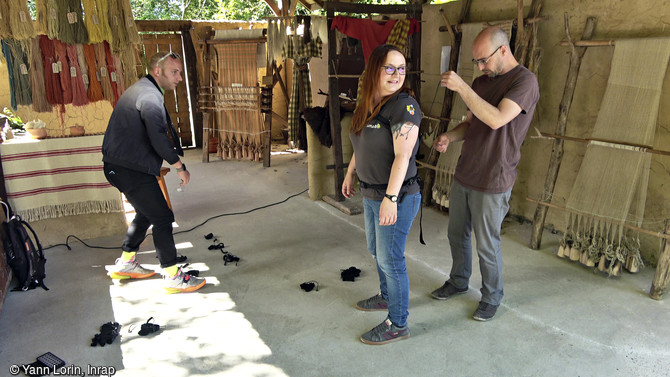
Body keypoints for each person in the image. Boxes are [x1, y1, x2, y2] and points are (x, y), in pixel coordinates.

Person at [430, 27, 539, 320]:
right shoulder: (481, 82)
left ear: (503, 50)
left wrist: (462, 88)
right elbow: (472, 123)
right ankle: (458, 280)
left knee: (487, 245)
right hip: (466, 171)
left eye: (483, 60)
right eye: (476, 62)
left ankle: (491, 297)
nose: (480, 67)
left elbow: (496, 119)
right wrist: (450, 137)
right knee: (456, 234)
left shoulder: (525, 82)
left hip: (494, 179)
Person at [102, 51, 206, 294]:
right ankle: (173, 276)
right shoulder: (149, 95)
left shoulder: (143, 89)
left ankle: (127, 263)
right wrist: (179, 166)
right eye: (174, 72)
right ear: (157, 71)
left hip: (123, 165)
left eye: (180, 72)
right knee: (162, 217)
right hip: (128, 168)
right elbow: (157, 136)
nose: (179, 77)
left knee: (147, 213)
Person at [342, 44, 422, 345]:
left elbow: (403, 157)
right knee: (377, 251)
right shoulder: (369, 105)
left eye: (401, 69)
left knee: (391, 259)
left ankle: (398, 323)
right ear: (375, 70)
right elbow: (361, 143)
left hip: (397, 197)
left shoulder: (405, 106)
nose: (396, 74)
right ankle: (387, 296)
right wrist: (351, 173)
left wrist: (390, 198)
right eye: (389, 68)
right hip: (371, 194)